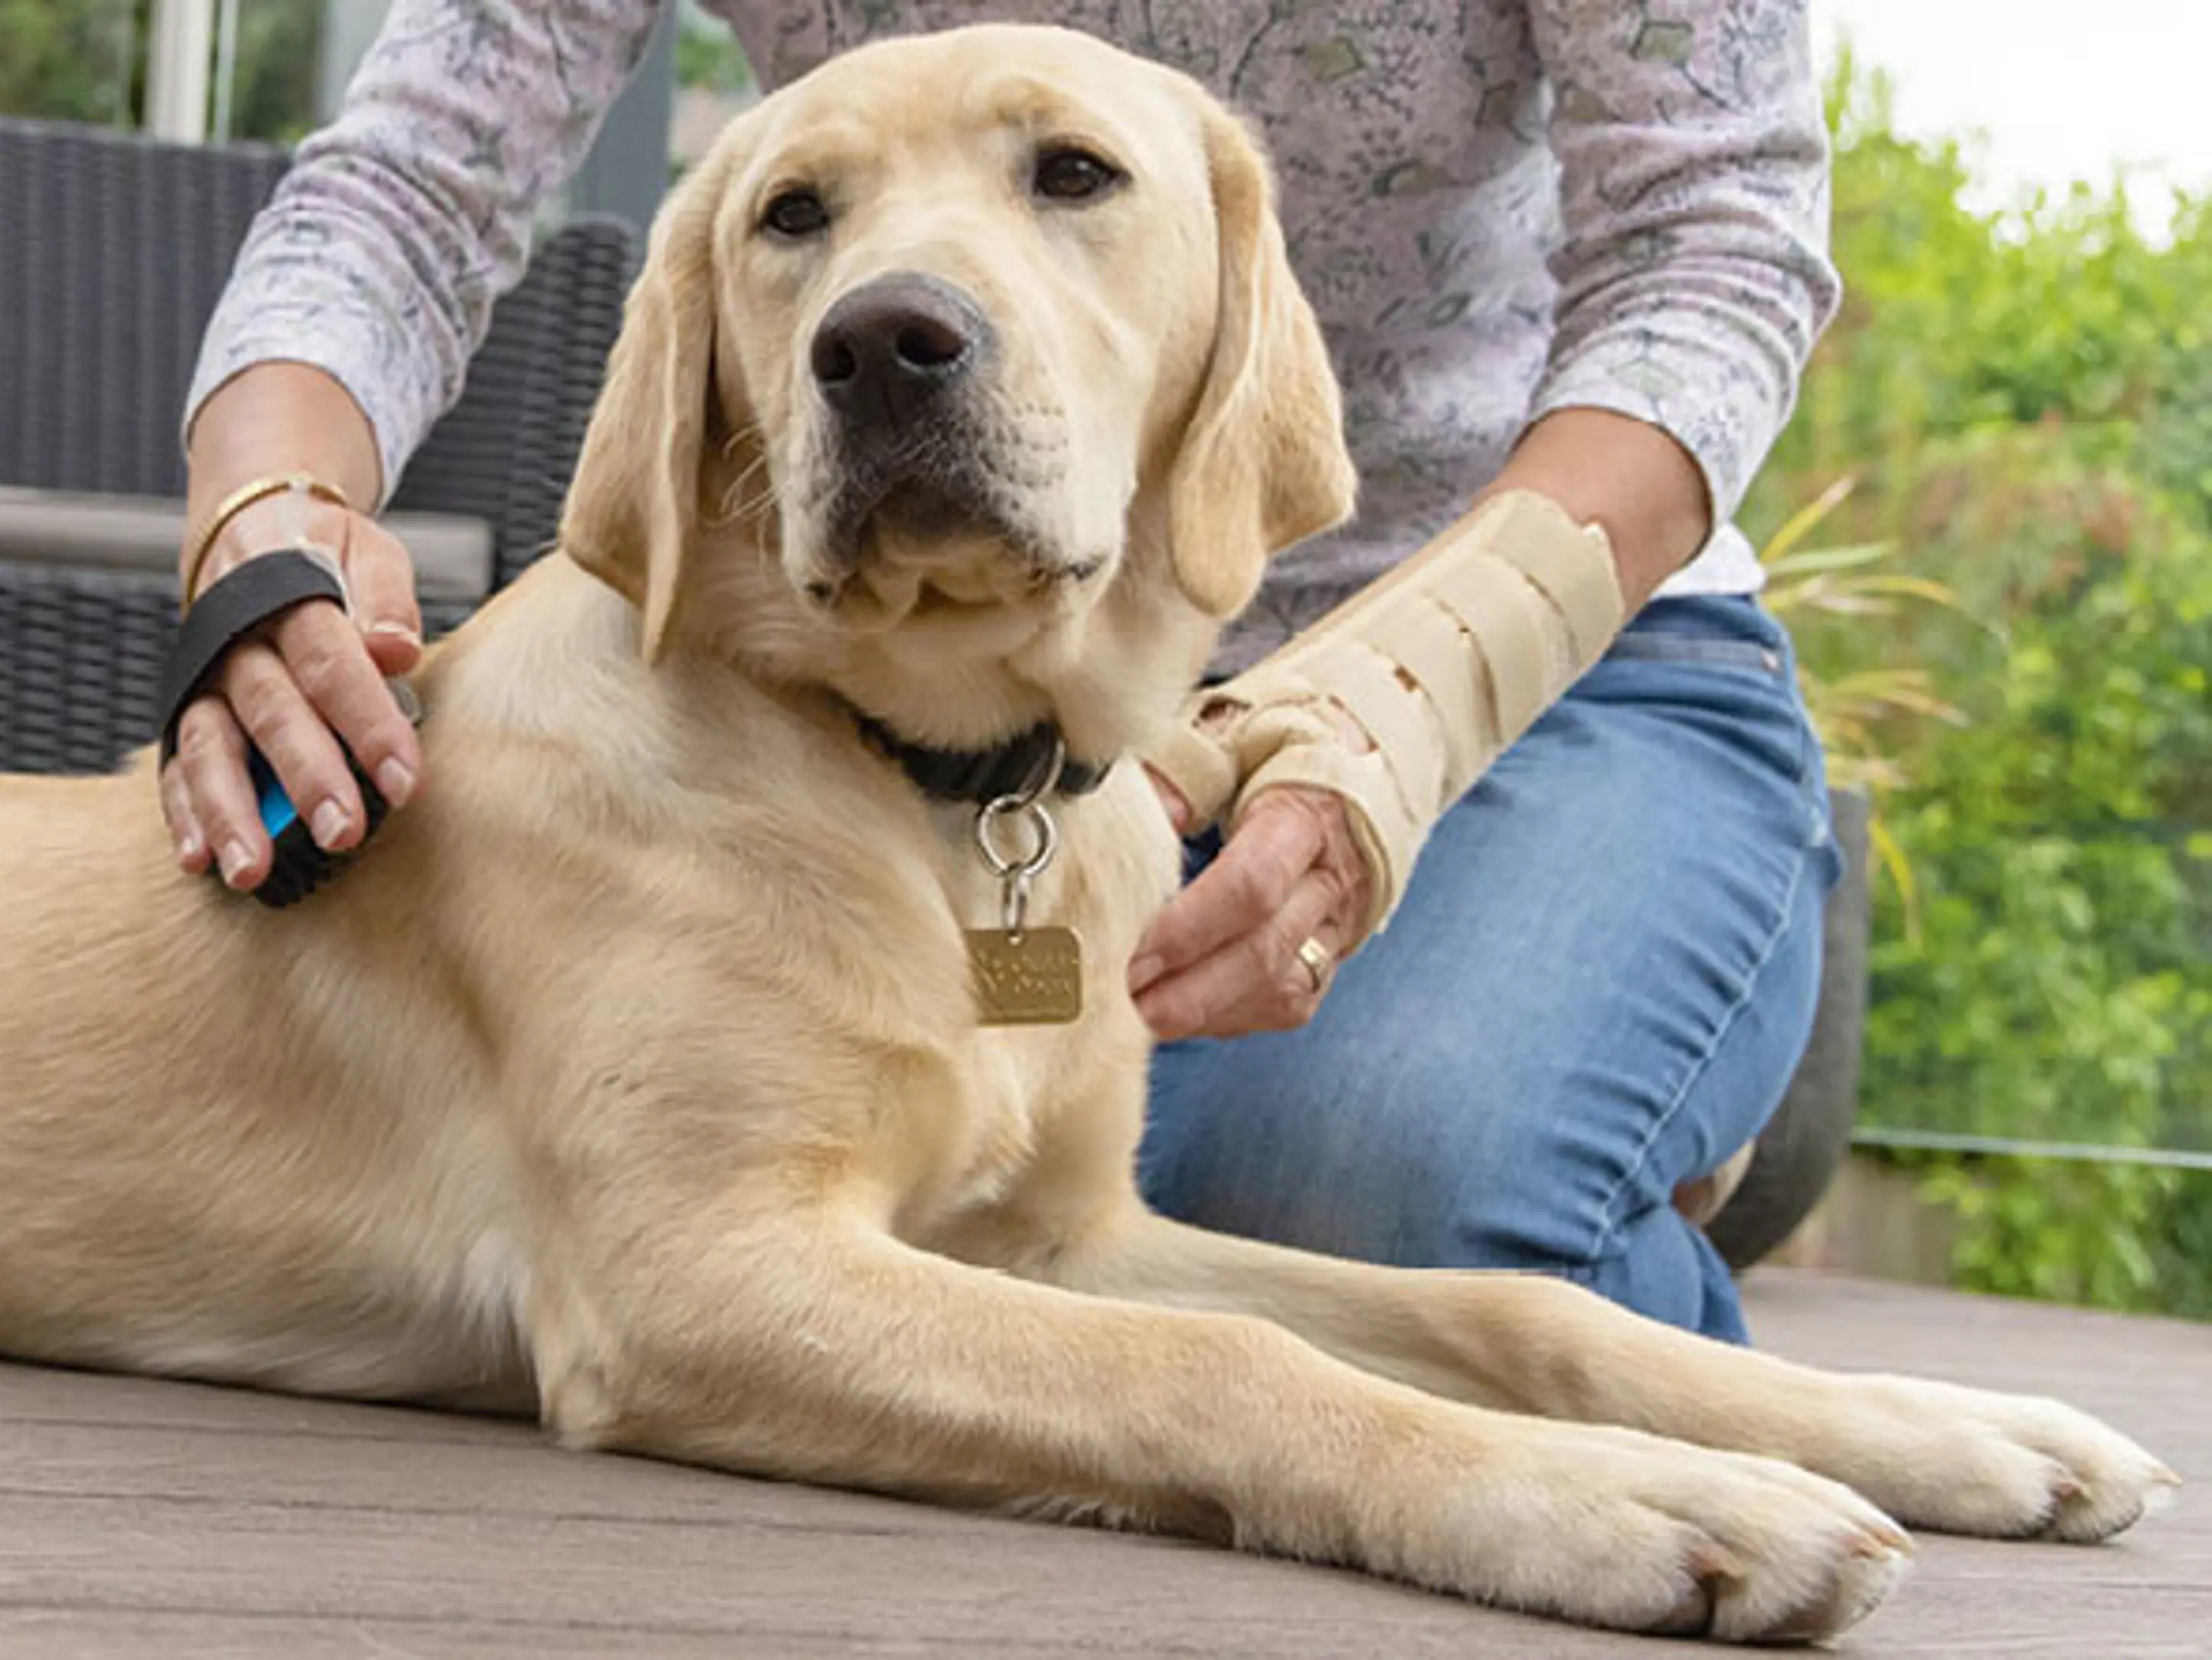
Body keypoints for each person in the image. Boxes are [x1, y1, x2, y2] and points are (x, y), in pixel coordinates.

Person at [156, 0, 1842, 1344]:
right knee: (1041, 1241)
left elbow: (1716, 238)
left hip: (1554, 658)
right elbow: (409, 181)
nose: (887, 314)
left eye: (1071, 176)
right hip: (925, 724)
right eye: (802, 216)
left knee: (1353, 1189)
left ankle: (1596, 1089)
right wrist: (267, 510)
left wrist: (1417, 691)